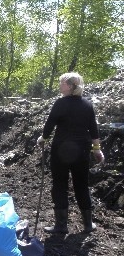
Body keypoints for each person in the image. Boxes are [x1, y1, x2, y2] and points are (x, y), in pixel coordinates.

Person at [36, 72, 104, 233]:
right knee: (81, 185)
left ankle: (61, 226)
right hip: (81, 150)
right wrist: (97, 150)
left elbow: (49, 124)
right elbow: (94, 129)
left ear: (71, 86)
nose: (60, 85)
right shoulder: (87, 105)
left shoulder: (60, 103)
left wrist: (42, 138)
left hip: (61, 150)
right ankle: (88, 225)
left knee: (60, 184)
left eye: (62, 83)